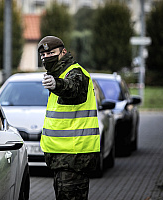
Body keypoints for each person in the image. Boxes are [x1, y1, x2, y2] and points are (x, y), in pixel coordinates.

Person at [38, 36, 100, 200]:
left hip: (74, 156)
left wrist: (57, 85)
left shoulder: (75, 72)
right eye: (43, 55)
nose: (46, 57)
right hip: (62, 157)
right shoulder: (58, 73)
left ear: (63, 52)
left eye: (51, 52)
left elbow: (72, 88)